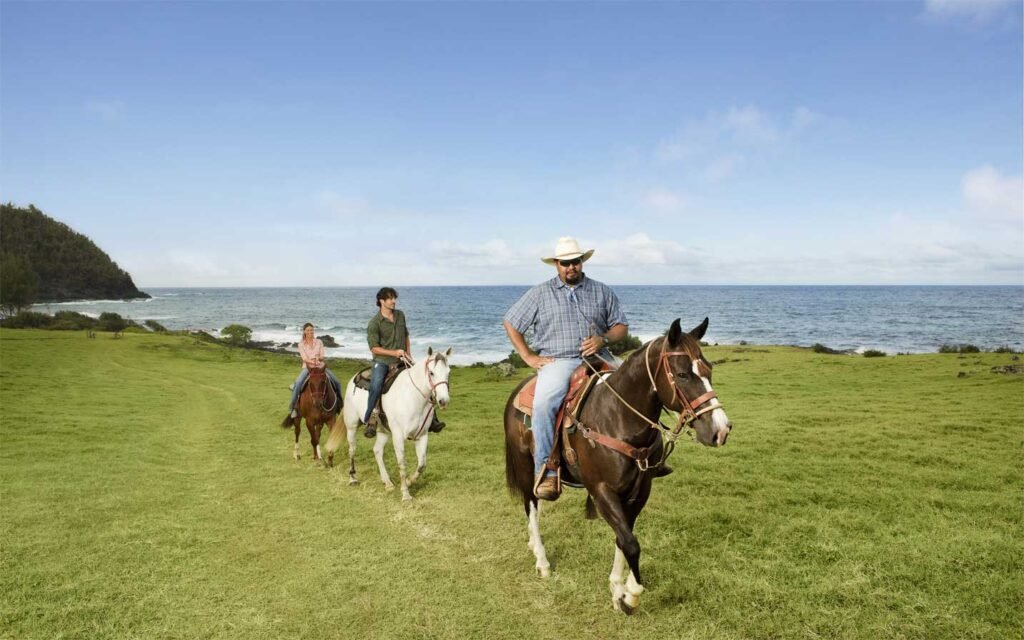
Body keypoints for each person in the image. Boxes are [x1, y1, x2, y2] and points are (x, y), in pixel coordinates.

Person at [503, 237, 629, 500]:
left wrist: (602, 339)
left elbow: (621, 327)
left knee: (634, 386)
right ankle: (546, 470)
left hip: (599, 356)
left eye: (575, 261)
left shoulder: (602, 290)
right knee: (544, 403)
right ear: (556, 265)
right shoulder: (540, 293)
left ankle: (648, 454)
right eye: (565, 263)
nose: (571, 267)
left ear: (582, 262)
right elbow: (511, 323)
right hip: (559, 361)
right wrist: (528, 356)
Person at [362, 287, 445, 438]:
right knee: (376, 384)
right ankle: (371, 420)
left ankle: (432, 419)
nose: (394, 301)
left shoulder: (400, 315)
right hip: (382, 361)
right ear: (382, 301)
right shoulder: (374, 323)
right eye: (390, 298)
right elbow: (374, 348)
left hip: (403, 359)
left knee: (425, 380)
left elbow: (406, 335)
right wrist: (394, 352)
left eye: (394, 298)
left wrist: (408, 353)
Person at [288, 322, 341, 418]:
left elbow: (322, 356)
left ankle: (340, 404)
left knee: (337, 382)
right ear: (304, 332)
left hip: (320, 366)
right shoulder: (301, 344)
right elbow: (304, 358)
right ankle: (293, 408)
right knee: (299, 383)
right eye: (308, 330)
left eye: (312, 330)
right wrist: (312, 361)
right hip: (308, 368)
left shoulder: (319, 342)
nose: (310, 332)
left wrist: (319, 359)